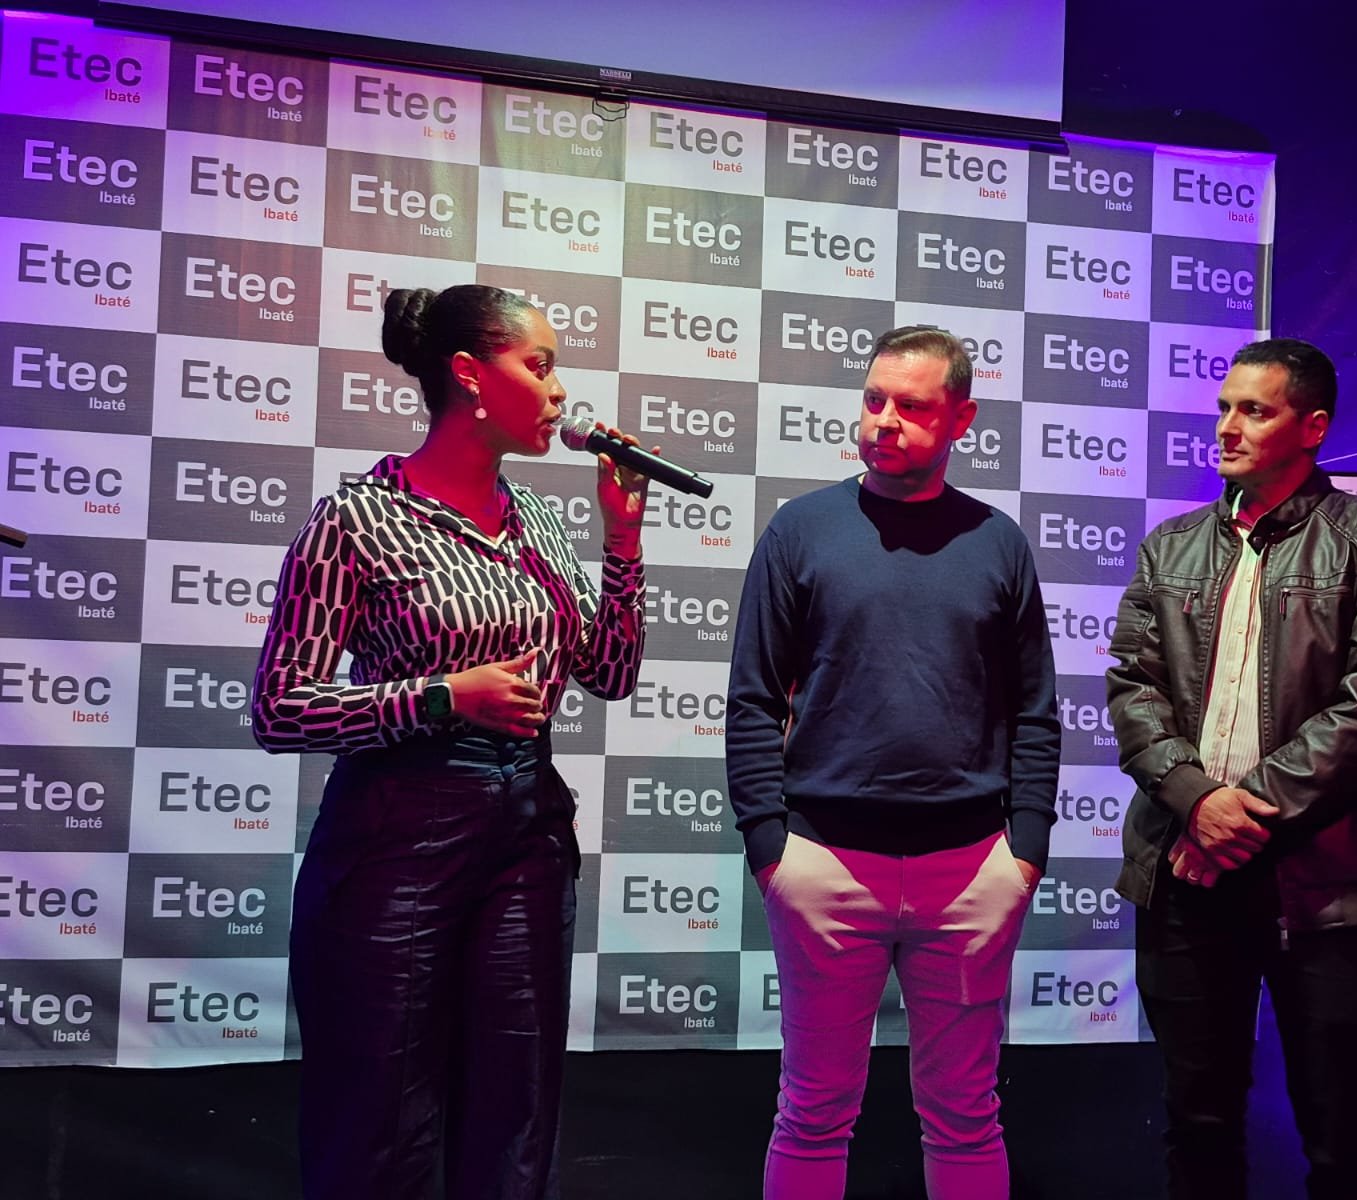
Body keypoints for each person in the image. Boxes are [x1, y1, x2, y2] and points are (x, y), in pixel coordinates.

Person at [251, 284, 651, 1200]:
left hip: (525, 832)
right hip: (398, 837)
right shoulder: (357, 519)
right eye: (540, 367)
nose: (559, 392)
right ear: (470, 374)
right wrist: (441, 697)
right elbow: (279, 708)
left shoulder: (537, 521)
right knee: (379, 1116)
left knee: (515, 1107)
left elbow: (611, 672)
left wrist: (623, 540)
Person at [726, 325, 1061, 1200]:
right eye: (874, 399)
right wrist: (770, 847)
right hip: (823, 865)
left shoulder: (998, 542)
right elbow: (753, 698)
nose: (884, 420)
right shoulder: (801, 530)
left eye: (911, 406)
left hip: (971, 871)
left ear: (961, 418)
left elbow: (1034, 709)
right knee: (811, 1110)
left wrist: (1025, 851)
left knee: (966, 1113)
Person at [1105, 337, 1357, 1200]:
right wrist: (1194, 800)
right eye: (1225, 407)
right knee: (1198, 1125)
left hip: (1326, 886)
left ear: (1313, 427)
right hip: (1186, 875)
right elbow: (1133, 690)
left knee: (1342, 1133)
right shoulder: (1170, 547)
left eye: (1254, 410)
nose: (1227, 426)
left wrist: (1236, 813)